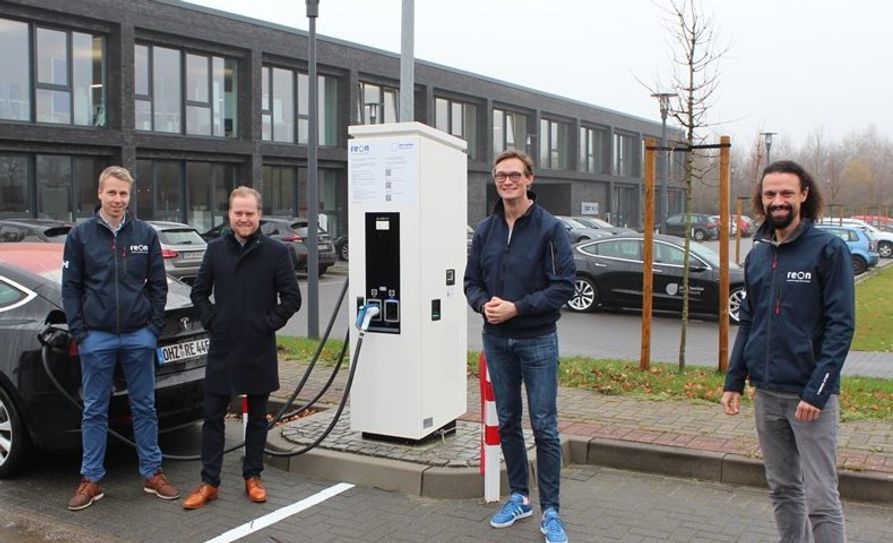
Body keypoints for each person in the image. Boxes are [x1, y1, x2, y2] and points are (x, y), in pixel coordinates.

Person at [722, 160, 854, 543]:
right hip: (766, 394)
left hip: (809, 398)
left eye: (785, 193)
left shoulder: (828, 250)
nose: (777, 201)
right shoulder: (758, 254)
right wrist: (734, 379)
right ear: (762, 201)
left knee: (821, 497)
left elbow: (841, 326)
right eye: (770, 194)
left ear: (804, 195)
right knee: (782, 489)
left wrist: (818, 389)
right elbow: (749, 320)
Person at [464, 149, 575, 543]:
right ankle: (519, 497)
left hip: (538, 340)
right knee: (508, 421)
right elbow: (471, 282)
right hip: (496, 340)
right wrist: (483, 304)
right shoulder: (485, 230)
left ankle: (552, 512)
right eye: (501, 175)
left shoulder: (550, 229)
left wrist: (518, 308)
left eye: (514, 175)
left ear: (530, 179)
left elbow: (564, 285)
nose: (507, 181)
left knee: (544, 426)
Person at [62, 165, 179, 511]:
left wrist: (152, 329)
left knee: (145, 406)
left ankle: (152, 473)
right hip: (96, 337)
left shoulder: (145, 234)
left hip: (137, 337)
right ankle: (92, 479)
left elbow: (159, 285)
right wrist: (81, 333)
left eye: (123, 194)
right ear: (99, 193)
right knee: (95, 409)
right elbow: (70, 290)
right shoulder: (80, 236)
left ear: (130, 196)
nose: (117, 199)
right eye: (111, 192)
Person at [183, 186, 301, 510]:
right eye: (238, 213)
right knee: (212, 417)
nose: (244, 218)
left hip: (258, 347)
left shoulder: (276, 253)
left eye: (250, 213)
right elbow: (198, 292)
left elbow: (292, 298)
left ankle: (253, 476)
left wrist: (266, 324)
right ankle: (209, 482)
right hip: (223, 347)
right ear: (230, 215)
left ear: (259, 215)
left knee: (258, 418)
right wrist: (213, 321)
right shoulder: (215, 250)